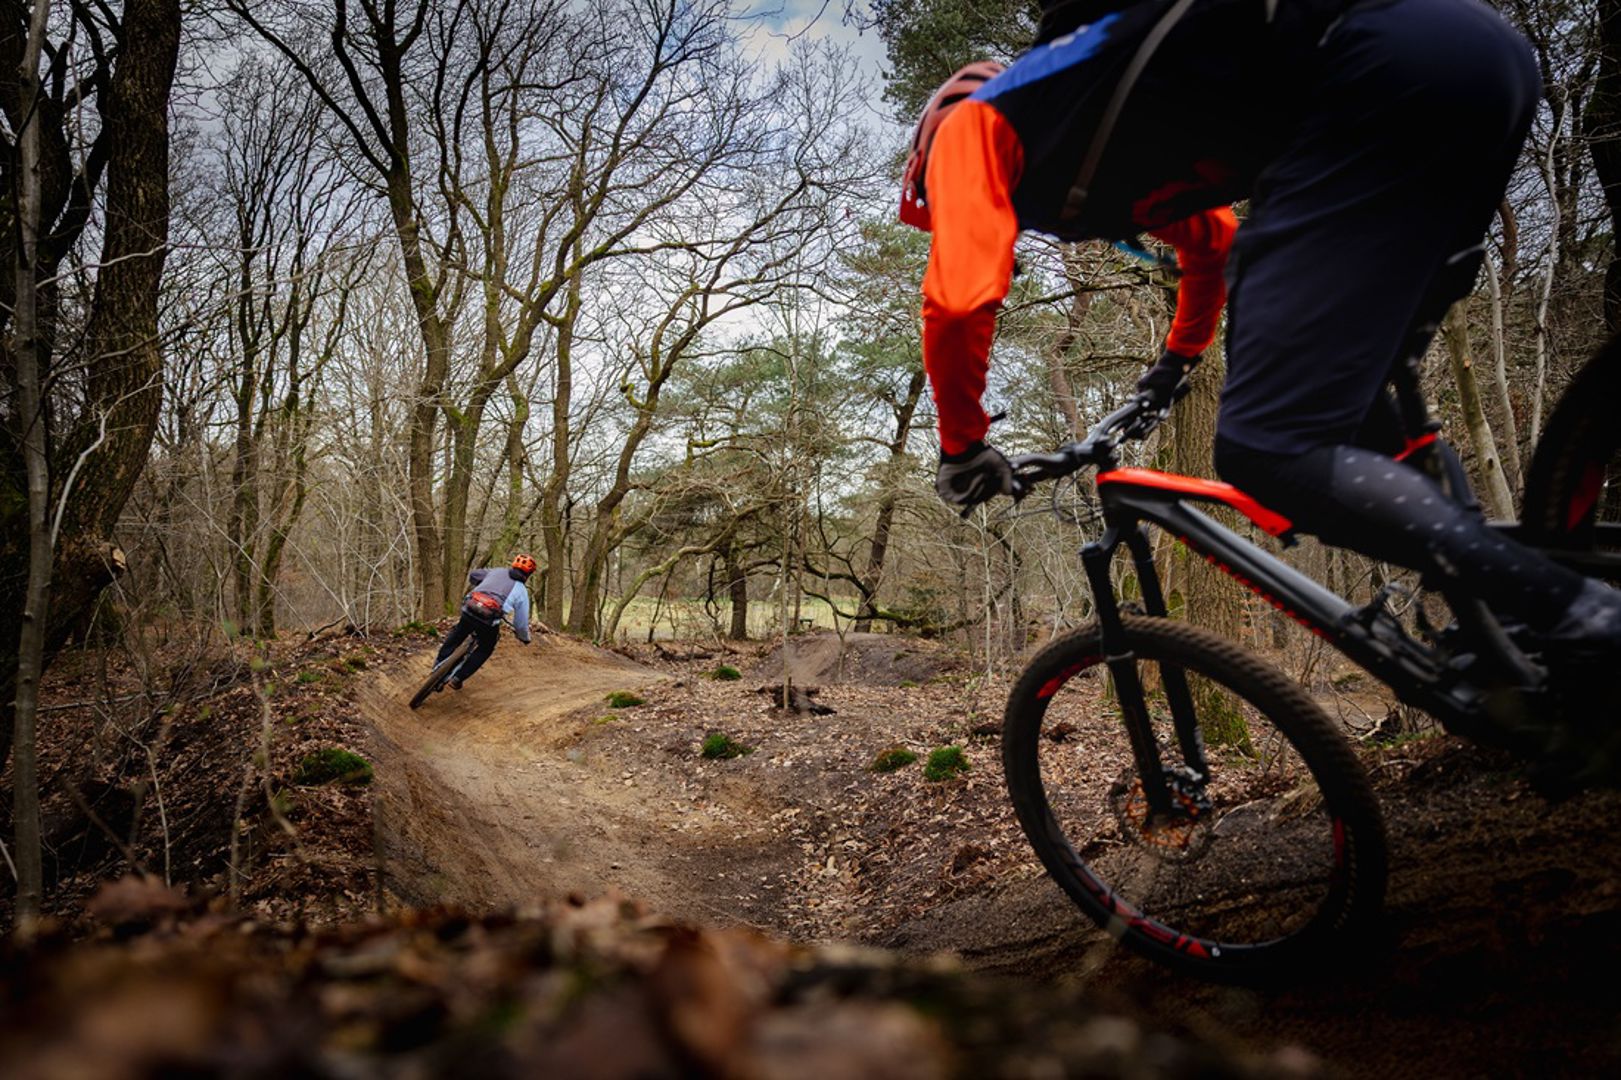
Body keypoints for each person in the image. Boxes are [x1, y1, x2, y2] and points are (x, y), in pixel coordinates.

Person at [902, 0, 1621, 655]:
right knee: (1363, 399)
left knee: (1268, 447)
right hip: (1482, 56)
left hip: (1378, 69)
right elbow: (1210, 244)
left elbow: (958, 302)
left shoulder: (974, 121)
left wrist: (961, 446)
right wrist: (1173, 363)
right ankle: (1509, 635)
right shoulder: (1096, 123)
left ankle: (1578, 613)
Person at [434, 554, 536, 690]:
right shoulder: (522, 591)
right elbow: (521, 623)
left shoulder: (496, 571)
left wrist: (482, 583)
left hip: (470, 608)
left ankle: (437, 666)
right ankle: (458, 678)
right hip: (488, 620)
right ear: (528, 575)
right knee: (485, 647)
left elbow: (474, 574)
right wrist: (524, 637)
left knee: (458, 633)